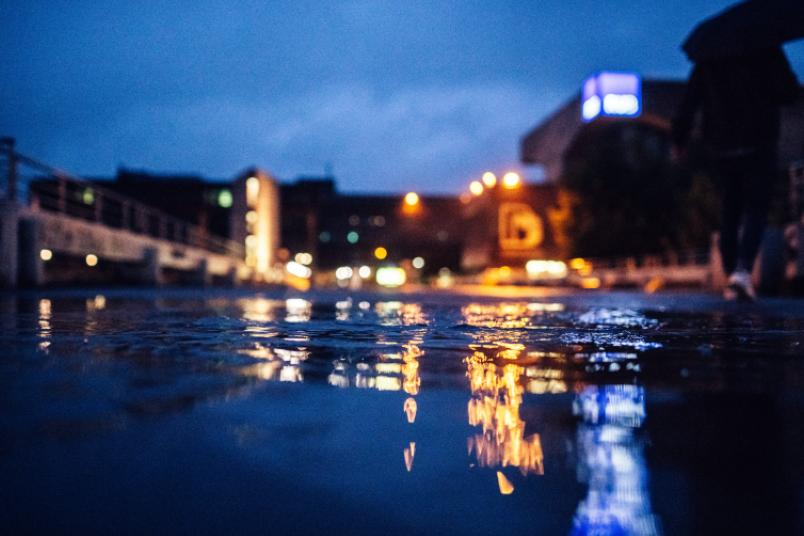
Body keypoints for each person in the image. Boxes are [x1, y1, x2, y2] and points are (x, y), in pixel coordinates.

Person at [672, 46, 800, 300]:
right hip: (758, 140)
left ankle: (733, 274)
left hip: (722, 145)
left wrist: (679, 140)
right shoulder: (765, 52)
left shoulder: (709, 58)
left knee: (730, 208)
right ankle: (741, 271)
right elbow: (788, 91)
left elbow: (689, 102)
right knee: (756, 207)